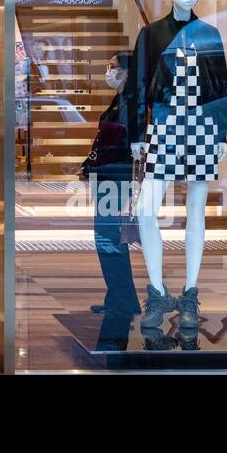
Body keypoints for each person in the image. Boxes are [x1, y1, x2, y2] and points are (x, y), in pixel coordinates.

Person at [78, 52, 140, 317]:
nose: (109, 71)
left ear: (127, 71)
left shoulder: (131, 103)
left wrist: (93, 164)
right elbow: (103, 140)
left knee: (109, 239)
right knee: (107, 239)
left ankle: (123, 299)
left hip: (116, 178)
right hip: (108, 176)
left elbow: (116, 143)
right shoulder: (121, 100)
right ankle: (118, 296)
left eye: (113, 67)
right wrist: (88, 164)